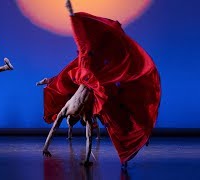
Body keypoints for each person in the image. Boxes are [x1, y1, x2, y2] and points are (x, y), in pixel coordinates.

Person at [40, 0, 161, 168]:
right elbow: (87, 137)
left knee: (85, 50)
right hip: (96, 84)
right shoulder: (86, 114)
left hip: (88, 76)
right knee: (115, 113)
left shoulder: (66, 108)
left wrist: (45, 147)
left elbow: (54, 130)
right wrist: (87, 159)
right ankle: (135, 140)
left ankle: (72, 15)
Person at [36, 77, 101, 141]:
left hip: (76, 93)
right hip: (79, 91)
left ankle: (70, 136)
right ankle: (48, 81)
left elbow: (68, 124)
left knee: (66, 87)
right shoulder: (85, 112)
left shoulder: (72, 110)